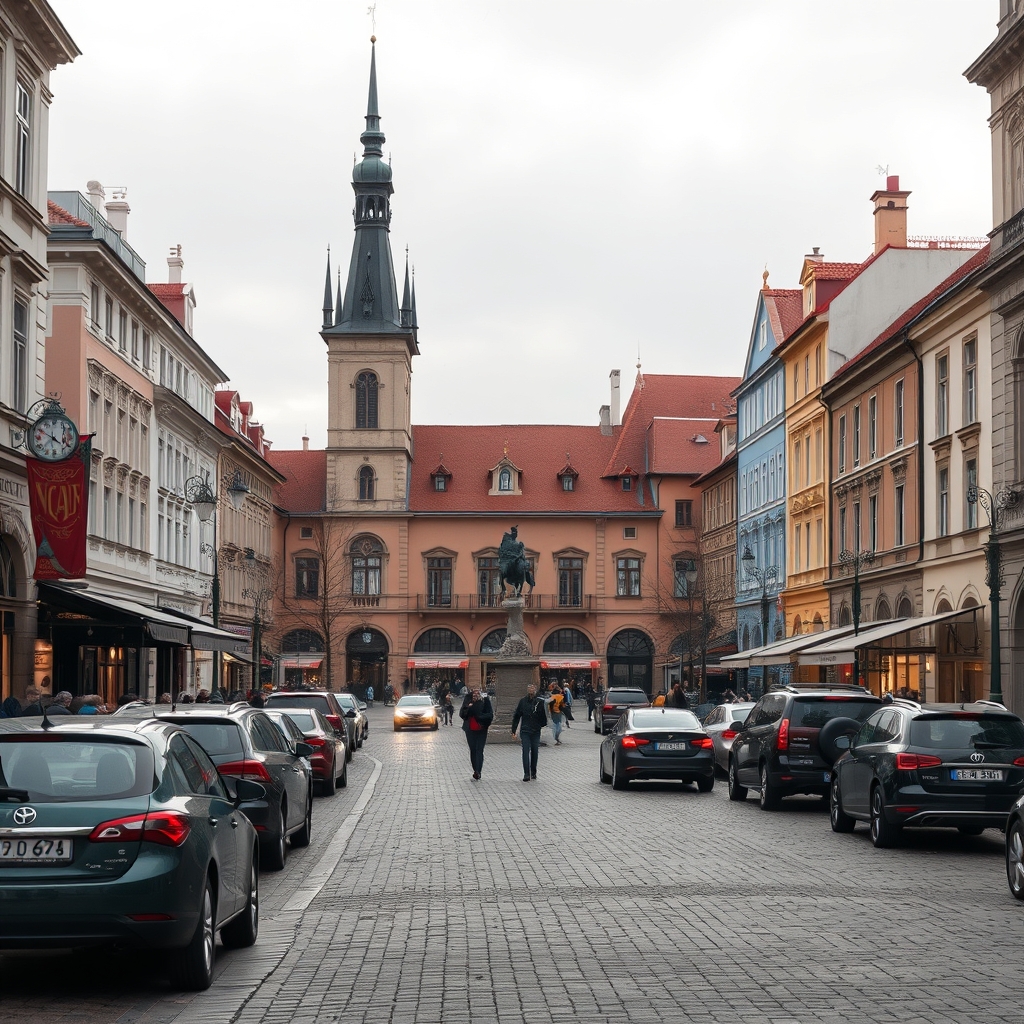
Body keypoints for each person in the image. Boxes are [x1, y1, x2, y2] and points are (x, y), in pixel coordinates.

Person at [511, 683, 548, 781]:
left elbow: (543, 716)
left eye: (533, 688)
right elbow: (517, 715)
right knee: (525, 751)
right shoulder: (523, 701)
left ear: (535, 689)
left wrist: (541, 724)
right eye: (529, 688)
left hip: (535, 730)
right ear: (527, 690)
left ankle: (533, 771)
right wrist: (514, 730)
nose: (531, 690)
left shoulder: (539, 702)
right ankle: (526, 773)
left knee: (535, 751)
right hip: (525, 730)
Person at [459, 686, 493, 781]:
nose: (476, 694)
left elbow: (490, 715)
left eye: (478, 693)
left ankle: (478, 771)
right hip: (470, 729)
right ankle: (475, 770)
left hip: (482, 729)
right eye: (474, 693)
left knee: (479, 749)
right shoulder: (468, 701)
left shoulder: (485, 701)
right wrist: (469, 707)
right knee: (473, 749)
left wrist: (480, 717)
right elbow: (462, 714)